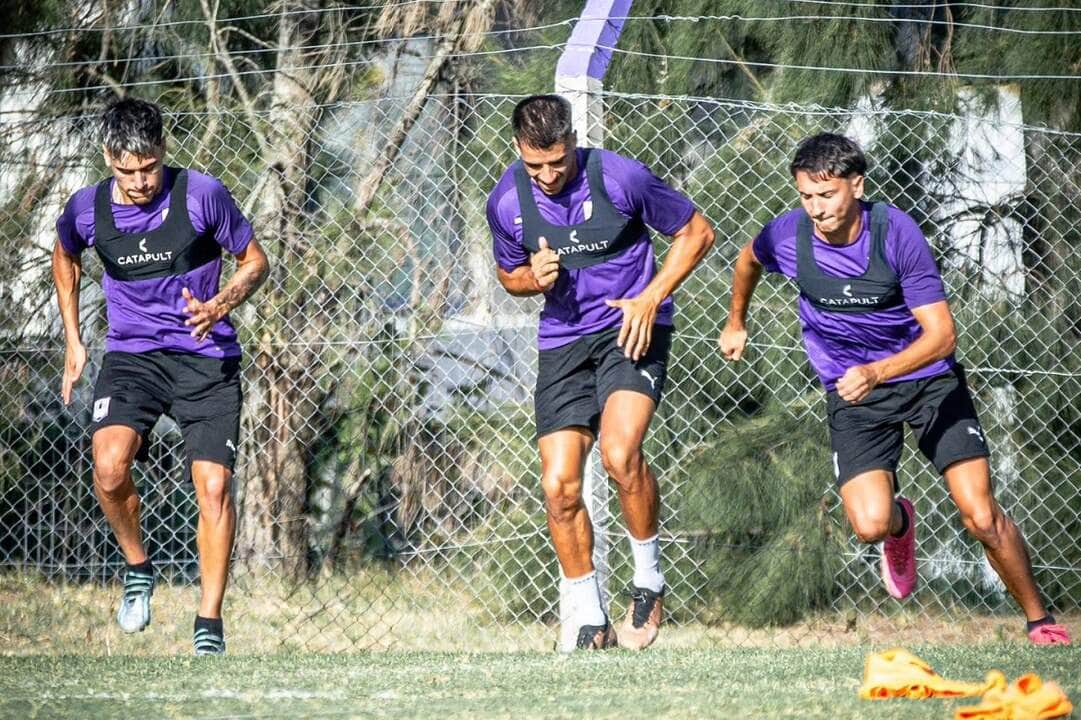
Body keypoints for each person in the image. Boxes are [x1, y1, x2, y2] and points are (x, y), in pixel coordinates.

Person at [717, 132, 1070, 646]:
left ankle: (1041, 620)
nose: (816, 208)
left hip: (927, 382)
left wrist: (880, 371)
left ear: (856, 185)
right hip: (855, 394)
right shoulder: (788, 235)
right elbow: (747, 259)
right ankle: (901, 524)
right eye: (806, 197)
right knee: (869, 526)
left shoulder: (895, 233)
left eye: (827, 194)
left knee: (979, 514)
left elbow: (943, 335)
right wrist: (736, 321)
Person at [486, 94, 715, 651]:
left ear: (573, 143)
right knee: (558, 485)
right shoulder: (506, 201)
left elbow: (697, 233)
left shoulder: (619, 177)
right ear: (518, 150)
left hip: (630, 327)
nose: (546, 175)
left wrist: (651, 297)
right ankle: (590, 617)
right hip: (563, 340)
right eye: (534, 164)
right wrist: (531, 279)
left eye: (557, 162)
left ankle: (648, 576)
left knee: (619, 453)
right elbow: (507, 275)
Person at [52, 98, 269, 655]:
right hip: (132, 357)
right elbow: (65, 253)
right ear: (108, 159)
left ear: (163, 152)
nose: (141, 180)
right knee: (108, 466)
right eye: (127, 170)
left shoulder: (202, 195)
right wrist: (74, 338)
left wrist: (220, 304)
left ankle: (208, 627)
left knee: (215, 488)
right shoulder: (88, 209)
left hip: (204, 355)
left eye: (149, 167)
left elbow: (254, 260)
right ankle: (138, 569)